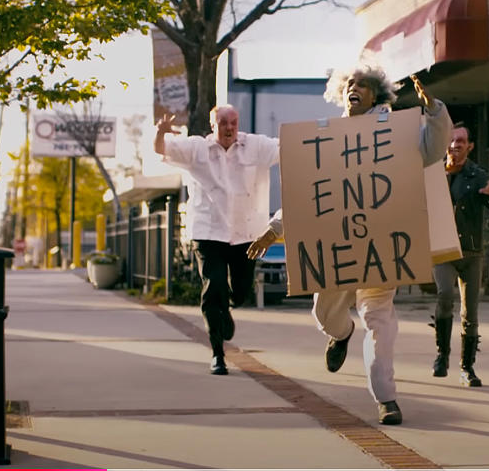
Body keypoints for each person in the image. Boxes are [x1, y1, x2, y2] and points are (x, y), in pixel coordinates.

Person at [248, 64, 452, 425]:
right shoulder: (327, 137)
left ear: (376, 94)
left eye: (362, 85)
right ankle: (340, 334)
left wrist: (434, 112)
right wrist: (275, 228)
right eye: (350, 84)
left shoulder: (396, 132)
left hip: (382, 249)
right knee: (325, 315)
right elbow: (307, 193)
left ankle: (386, 399)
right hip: (336, 252)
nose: (353, 88)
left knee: (381, 325)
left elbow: (434, 150)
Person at [155, 105, 279, 375]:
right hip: (208, 232)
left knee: (241, 291)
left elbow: (290, 146)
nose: (229, 128)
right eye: (223, 123)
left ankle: (229, 306)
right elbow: (162, 149)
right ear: (213, 125)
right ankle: (217, 354)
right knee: (213, 288)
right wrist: (160, 133)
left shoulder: (255, 146)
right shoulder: (197, 149)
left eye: (233, 122)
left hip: (246, 234)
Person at [430, 122, 489, 387]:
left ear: (469, 146)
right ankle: (442, 354)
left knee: (470, 313)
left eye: (461, 141)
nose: (455, 145)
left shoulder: (477, 174)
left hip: (472, 253)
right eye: (452, 140)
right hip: (443, 250)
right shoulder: (434, 173)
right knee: (444, 295)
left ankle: (467, 368)